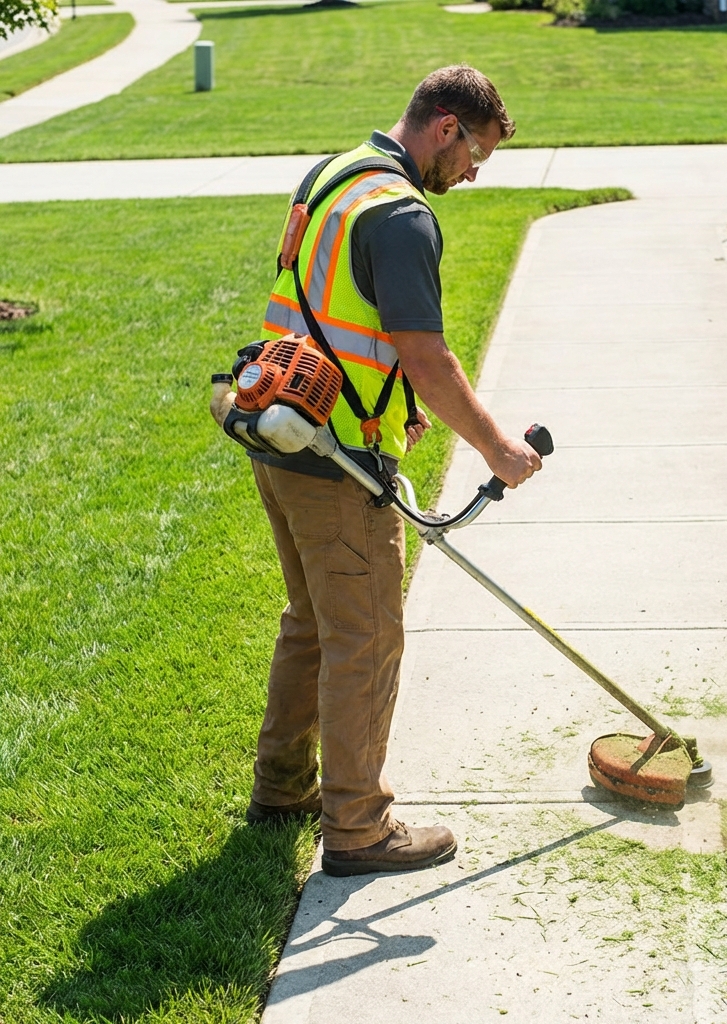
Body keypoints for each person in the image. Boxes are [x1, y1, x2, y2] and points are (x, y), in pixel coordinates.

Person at [242, 66, 542, 876]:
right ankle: (358, 829)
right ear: (445, 128)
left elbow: (322, 299)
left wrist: (392, 397)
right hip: (335, 460)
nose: (475, 172)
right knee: (365, 639)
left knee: (312, 620)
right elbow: (429, 355)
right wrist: (497, 450)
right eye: (476, 152)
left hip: (283, 430)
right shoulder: (402, 215)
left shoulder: (338, 174)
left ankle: (282, 787)